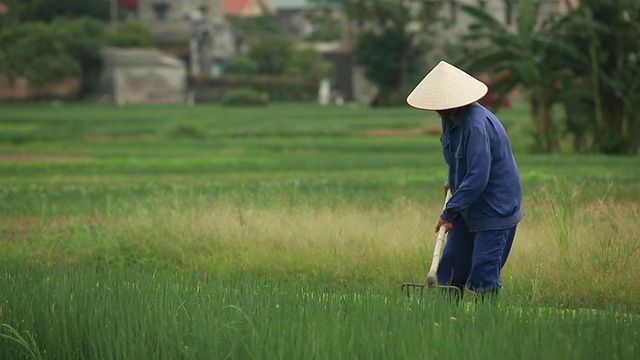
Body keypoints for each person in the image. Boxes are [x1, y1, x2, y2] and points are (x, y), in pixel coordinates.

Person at [406, 61, 523, 301]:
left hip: (494, 207)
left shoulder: (476, 125)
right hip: (466, 202)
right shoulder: (449, 119)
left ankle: (485, 323)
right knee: (451, 265)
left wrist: (449, 213)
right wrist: (453, 180)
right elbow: (458, 159)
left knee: (484, 272)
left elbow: (478, 176)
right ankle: (446, 320)